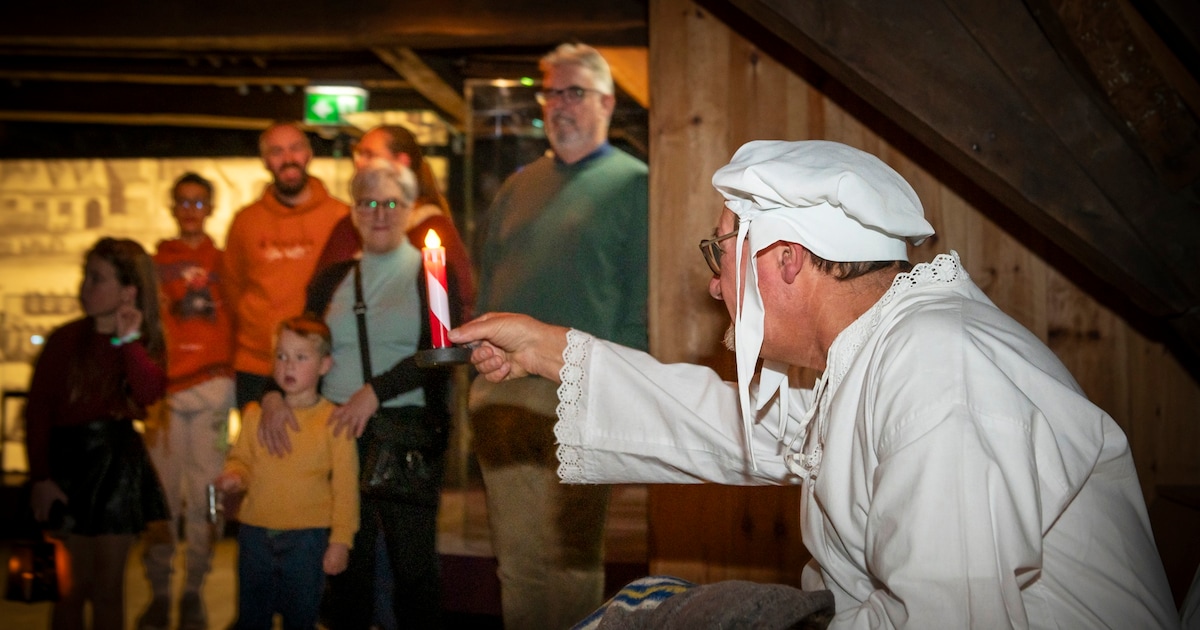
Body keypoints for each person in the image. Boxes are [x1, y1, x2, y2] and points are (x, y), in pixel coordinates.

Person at [450, 140, 1180, 628]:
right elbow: (742, 425)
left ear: (788, 259)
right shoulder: (888, 353)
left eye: (722, 250)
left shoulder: (942, 372)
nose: (713, 283)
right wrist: (546, 350)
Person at [470, 42, 649, 630]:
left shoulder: (636, 185)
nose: (559, 104)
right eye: (551, 92)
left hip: (581, 387)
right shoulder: (517, 189)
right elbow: (489, 289)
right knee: (516, 564)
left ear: (606, 101)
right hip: (504, 393)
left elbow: (641, 298)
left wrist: (624, 387)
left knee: (573, 559)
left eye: (574, 91)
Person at [260, 161, 464, 628]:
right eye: (367, 203)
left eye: (391, 202)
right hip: (334, 434)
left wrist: (375, 391)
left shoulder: (429, 273)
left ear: (411, 210)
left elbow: (439, 353)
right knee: (345, 563)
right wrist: (273, 393)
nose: (379, 213)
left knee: (413, 569)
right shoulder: (332, 278)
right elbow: (301, 341)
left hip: (403, 435)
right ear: (353, 212)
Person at [24, 237, 169, 630]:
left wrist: (128, 340)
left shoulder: (137, 343)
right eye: (85, 277)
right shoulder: (64, 341)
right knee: (69, 590)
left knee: (108, 589)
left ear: (128, 291)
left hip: (115, 470)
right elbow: (37, 412)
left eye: (97, 279)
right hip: (68, 467)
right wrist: (41, 478)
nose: (85, 288)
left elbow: (148, 392)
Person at [136, 172, 236, 630]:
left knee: (204, 498)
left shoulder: (225, 260)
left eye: (199, 202)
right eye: (183, 202)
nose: (191, 209)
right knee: (159, 499)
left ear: (210, 208)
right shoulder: (156, 263)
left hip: (215, 389)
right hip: (166, 396)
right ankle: (159, 591)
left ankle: (193, 587)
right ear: (173, 207)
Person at [215, 314, 358, 630]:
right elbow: (243, 461)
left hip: (307, 538)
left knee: (300, 617)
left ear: (325, 365)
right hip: (254, 533)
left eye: (301, 357)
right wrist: (234, 476)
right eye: (281, 356)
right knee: (251, 617)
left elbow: (346, 488)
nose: (288, 366)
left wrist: (341, 541)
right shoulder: (254, 415)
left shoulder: (334, 422)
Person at [222, 121, 350, 410]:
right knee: (258, 452)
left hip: (322, 365)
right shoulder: (245, 222)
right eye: (277, 151)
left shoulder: (340, 217)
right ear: (266, 160)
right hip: (257, 364)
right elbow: (232, 290)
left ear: (308, 154)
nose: (288, 158)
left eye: (295, 148)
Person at [309, 123, 475, 320]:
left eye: (369, 155)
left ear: (401, 163)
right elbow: (319, 297)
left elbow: (459, 302)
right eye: (359, 154)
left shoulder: (431, 228)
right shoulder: (348, 226)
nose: (359, 163)